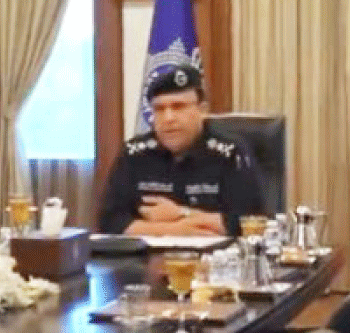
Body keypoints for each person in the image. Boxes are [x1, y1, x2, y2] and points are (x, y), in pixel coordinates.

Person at [99, 65, 264, 236]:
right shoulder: (134, 154)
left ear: (202, 110)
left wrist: (181, 213)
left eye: (178, 107)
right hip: (149, 253)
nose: (168, 118)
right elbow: (110, 223)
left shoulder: (229, 153)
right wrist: (177, 230)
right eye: (159, 109)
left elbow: (249, 223)